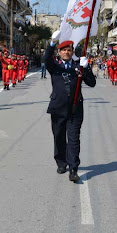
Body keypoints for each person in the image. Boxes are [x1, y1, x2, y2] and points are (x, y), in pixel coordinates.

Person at [45, 31, 96, 182]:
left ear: (72, 52)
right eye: (64, 50)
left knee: (74, 139)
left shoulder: (78, 66)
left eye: (69, 50)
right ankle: (61, 162)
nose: (67, 52)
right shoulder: (54, 66)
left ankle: (73, 168)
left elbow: (92, 83)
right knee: (59, 137)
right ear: (59, 52)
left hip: (75, 108)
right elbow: (46, 59)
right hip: (58, 108)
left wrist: (86, 68)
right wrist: (52, 43)